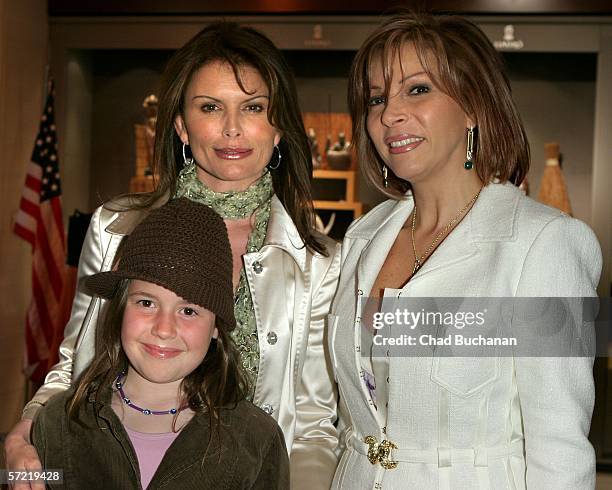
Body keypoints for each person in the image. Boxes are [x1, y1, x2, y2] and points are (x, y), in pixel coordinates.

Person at [5, 21, 340, 489]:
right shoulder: (115, 226)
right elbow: (76, 364)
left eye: (253, 108)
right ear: (182, 125)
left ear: (278, 127)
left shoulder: (318, 262)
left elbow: (313, 424)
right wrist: (28, 430)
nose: (231, 128)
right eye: (210, 107)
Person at [329, 11, 602, 489]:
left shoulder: (546, 245)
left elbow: (561, 451)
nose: (389, 114)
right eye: (376, 99)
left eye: (418, 89)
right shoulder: (361, 239)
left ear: (473, 105)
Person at [32, 198, 289, 489]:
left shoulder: (256, 441)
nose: (164, 329)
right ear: (120, 310)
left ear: (216, 327)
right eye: (146, 303)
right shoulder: (58, 423)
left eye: (189, 311)